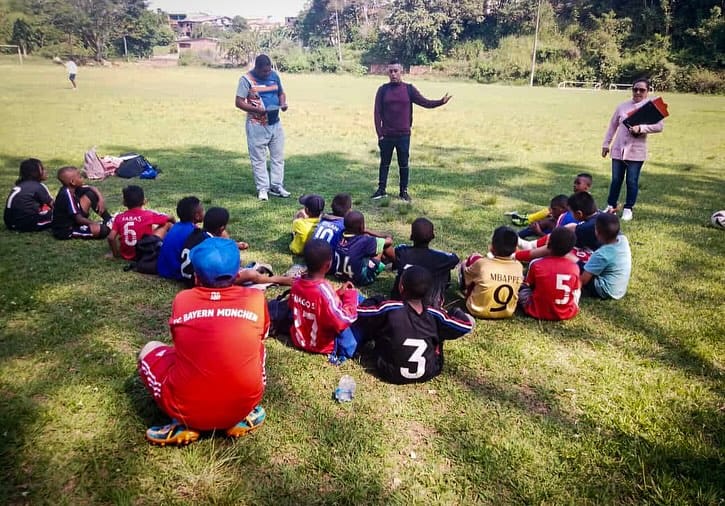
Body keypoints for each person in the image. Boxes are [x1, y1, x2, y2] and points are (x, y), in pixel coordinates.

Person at [138, 237, 269, 446]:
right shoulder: (256, 299)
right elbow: (262, 335)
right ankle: (240, 416)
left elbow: (179, 343)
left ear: (197, 277)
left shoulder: (182, 299)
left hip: (185, 408)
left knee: (150, 348)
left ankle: (183, 423)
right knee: (259, 348)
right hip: (243, 404)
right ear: (237, 274)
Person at [354, 266, 474, 384]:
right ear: (428, 292)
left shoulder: (389, 309)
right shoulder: (436, 315)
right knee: (440, 331)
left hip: (388, 371)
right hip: (429, 372)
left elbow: (361, 311)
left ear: (401, 287)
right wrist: (454, 312)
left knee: (379, 324)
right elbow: (467, 325)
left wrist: (376, 299)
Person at [372, 59, 452, 202]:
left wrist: (440, 102)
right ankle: (381, 189)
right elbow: (377, 113)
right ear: (387, 72)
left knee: (404, 164)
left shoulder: (408, 89)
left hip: (403, 135)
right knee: (384, 163)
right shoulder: (382, 90)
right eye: (390, 71)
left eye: (396, 71)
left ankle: (403, 191)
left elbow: (425, 102)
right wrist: (380, 135)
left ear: (401, 71)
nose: (393, 74)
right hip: (387, 135)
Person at [602, 78, 664, 221]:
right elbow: (612, 126)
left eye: (642, 90)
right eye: (635, 89)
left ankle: (628, 208)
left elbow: (659, 126)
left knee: (631, 180)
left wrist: (641, 128)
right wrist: (606, 144)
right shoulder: (622, 106)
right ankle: (611, 206)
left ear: (647, 92)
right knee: (616, 179)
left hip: (636, 151)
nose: (637, 92)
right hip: (618, 149)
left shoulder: (651, 108)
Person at [289, 239, 359, 356]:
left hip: (298, 340)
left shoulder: (296, 284)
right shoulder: (323, 289)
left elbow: (308, 303)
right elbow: (343, 320)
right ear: (328, 265)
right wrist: (350, 297)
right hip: (321, 345)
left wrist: (337, 293)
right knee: (354, 337)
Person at [235, 54, 290, 201]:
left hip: (275, 123)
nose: (267, 74)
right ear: (257, 68)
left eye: (268, 70)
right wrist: (255, 110)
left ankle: (277, 186)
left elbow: (281, 93)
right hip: (257, 124)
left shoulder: (274, 76)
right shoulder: (246, 80)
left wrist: (283, 104)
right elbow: (239, 102)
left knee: (278, 157)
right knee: (259, 159)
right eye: (263, 72)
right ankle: (262, 189)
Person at [389, 217, 459, 307]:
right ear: (432, 237)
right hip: (428, 302)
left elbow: (391, 252)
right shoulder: (440, 258)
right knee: (445, 268)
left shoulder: (402, 251)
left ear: (411, 236)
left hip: (400, 299)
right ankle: (437, 299)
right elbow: (455, 259)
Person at [460, 226, 524, 319]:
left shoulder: (482, 263)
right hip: (507, 312)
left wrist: (463, 264)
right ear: (515, 249)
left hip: (476, 310)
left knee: (474, 257)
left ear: (492, 247)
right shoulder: (518, 266)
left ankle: (469, 294)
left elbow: (466, 276)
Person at [519, 227, 581, 321]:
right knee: (577, 288)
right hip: (566, 313)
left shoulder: (536, 263)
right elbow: (575, 289)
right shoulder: (575, 267)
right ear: (570, 250)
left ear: (548, 243)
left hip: (536, 311)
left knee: (522, 286)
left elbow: (529, 285)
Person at [107, 185, 174, 261]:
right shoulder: (148, 215)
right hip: (145, 252)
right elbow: (170, 217)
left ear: (124, 203)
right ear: (144, 201)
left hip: (126, 254)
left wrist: (116, 254)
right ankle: (180, 240)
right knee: (167, 223)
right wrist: (175, 223)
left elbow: (111, 237)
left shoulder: (119, 217)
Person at [506, 173, 592, 227]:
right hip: (564, 218)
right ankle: (529, 218)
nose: (574, 185)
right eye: (574, 183)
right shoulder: (575, 196)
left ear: (587, 187)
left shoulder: (586, 199)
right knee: (549, 210)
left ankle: (528, 220)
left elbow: (572, 212)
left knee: (548, 216)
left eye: (578, 183)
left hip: (571, 223)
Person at [333, 211, 393, 286]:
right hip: (359, 279)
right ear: (362, 226)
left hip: (340, 275)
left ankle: (387, 261)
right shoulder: (364, 241)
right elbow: (389, 241)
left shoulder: (340, 234)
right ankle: (397, 263)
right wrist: (367, 231)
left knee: (370, 245)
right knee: (382, 245)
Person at [580, 213, 632, 300]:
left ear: (597, 232)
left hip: (605, 290)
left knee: (577, 265)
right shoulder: (623, 240)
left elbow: (583, 280)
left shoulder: (601, 254)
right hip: (619, 290)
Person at [51, 166, 111, 240]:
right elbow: (78, 219)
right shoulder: (67, 194)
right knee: (103, 230)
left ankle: (108, 219)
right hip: (67, 229)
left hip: (75, 219)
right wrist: (94, 224)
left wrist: (101, 199)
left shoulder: (74, 188)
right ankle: (105, 225)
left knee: (91, 194)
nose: (82, 178)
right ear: (73, 182)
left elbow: (92, 188)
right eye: (80, 177)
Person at [157, 196, 204, 280]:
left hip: (163, 270)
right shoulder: (194, 233)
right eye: (203, 210)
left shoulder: (175, 226)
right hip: (177, 274)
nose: (204, 212)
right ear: (197, 216)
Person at [4, 158, 54, 232]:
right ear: (34, 173)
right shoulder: (38, 186)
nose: (45, 171)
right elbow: (54, 205)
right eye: (42, 169)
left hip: (9, 222)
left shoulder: (21, 184)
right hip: (25, 224)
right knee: (60, 216)